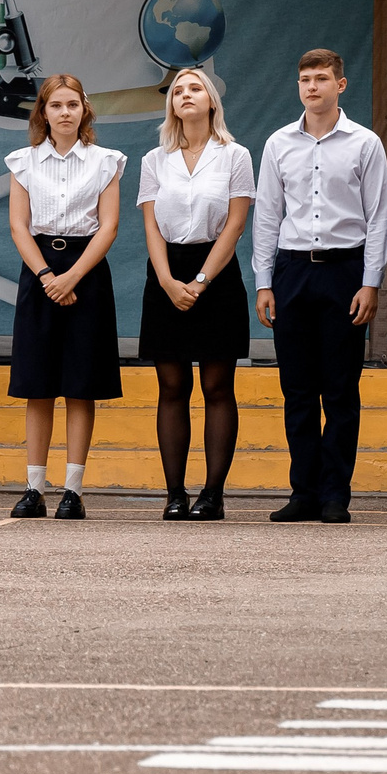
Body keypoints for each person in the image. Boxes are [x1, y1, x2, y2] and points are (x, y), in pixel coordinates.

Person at [254, 49, 387, 525]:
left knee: (339, 389)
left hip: (343, 272)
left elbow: (378, 219)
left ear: (341, 85)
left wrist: (370, 283)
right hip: (292, 272)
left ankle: (336, 495)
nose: (312, 87)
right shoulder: (278, 144)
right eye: (305, 79)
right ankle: (303, 493)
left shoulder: (365, 143)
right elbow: (267, 215)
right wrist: (264, 282)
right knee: (297, 390)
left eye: (322, 79)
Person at [5, 72, 124, 521]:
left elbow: (108, 226)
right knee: (38, 385)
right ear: (44, 112)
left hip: (86, 272)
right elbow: (19, 225)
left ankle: (72, 490)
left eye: (73, 105)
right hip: (40, 272)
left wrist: (71, 276)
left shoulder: (107, 161)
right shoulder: (23, 161)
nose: (65, 113)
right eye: (56, 105)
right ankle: (34, 486)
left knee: (80, 385)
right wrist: (47, 275)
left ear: (84, 110)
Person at [137, 67, 254, 522]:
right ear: (172, 105)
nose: (185, 95)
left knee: (216, 386)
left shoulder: (235, 155)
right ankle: (174, 494)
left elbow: (236, 223)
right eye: (178, 90)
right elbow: (149, 224)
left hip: (216, 275)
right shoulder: (155, 160)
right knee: (171, 387)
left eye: (195, 88)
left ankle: (212, 494)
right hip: (166, 272)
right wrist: (167, 281)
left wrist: (202, 281)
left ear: (211, 101)